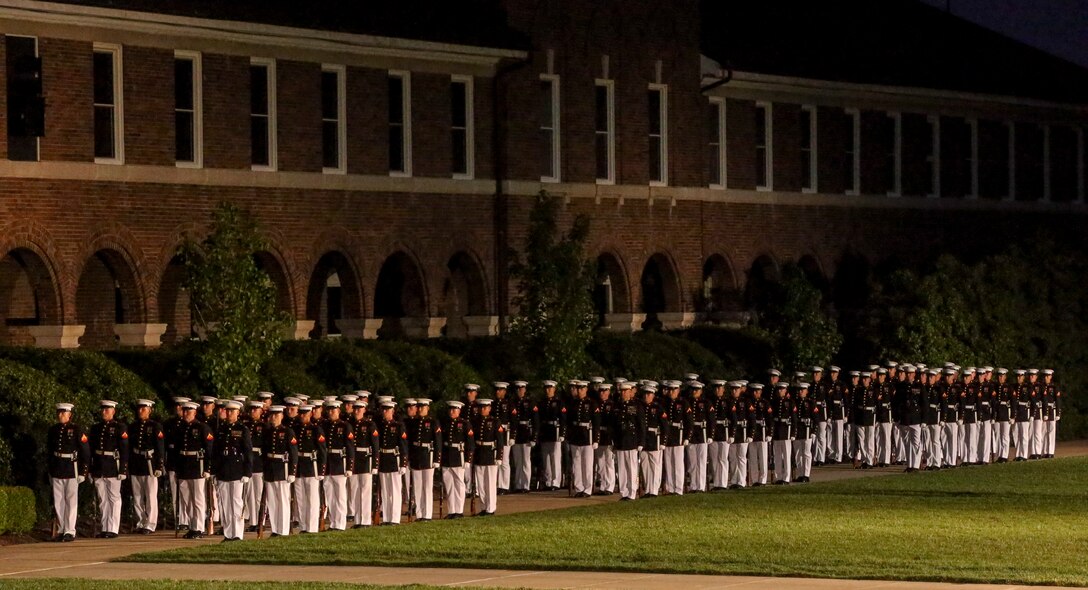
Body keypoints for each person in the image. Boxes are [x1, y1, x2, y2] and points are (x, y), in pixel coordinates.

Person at [48, 403, 89, 542]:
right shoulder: (54, 430)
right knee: (58, 501)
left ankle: (70, 530)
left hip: (72, 468)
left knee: (71, 500)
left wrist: (83, 471)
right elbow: (49, 451)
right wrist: (50, 469)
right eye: (59, 413)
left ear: (69, 415)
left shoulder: (76, 429)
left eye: (63, 413)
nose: (60, 415)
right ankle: (60, 529)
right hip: (58, 467)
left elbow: (85, 451)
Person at [213, 400, 252, 542]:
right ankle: (228, 533)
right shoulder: (221, 429)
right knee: (225, 504)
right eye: (228, 411)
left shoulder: (243, 429)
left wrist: (247, 472)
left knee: (236, 503)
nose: (229, 413)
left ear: (238, 413)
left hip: (237, 470)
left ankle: (237, 534)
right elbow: (215, 452)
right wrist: (213, 471)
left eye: (232, 411)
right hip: (223, 470)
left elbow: (248, 452)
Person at [88, 400, 128, 538]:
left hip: (112, 466)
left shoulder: (119, 427)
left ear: (113, 411)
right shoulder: (96, 428)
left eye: (107, 410)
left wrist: (123, 469)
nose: (104, 412)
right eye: (103, 409)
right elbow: (92, 450)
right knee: (102, 499)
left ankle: (113, 528)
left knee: (114, 498)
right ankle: (105, 527)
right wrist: (90, 469)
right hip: (99, 466)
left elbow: (124, 449)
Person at [175, 401, 213, 539]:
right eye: (184, 411)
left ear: (195, 412)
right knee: (187, 499)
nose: (185, 414)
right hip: (184, 467)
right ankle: (192, 526)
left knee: (197, 499)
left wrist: (208, 468)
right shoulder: (181, 428)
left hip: (198, 466)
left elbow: (209, 450)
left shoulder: (202, 428)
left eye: (188, 411)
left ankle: (198, 527)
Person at [127, 399, 164, 535]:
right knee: (137, 496)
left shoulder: (155, 426)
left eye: (144, 409)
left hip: (150, 463)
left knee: (150, 495)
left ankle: (150, 523)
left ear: (150, 410)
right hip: (137, 462)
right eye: (140, 409)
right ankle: (140, 521)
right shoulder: (133, 426)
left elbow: (160, 447)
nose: (141, 411)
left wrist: (159, 465)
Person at [262, 405, 298, 537]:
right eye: (272, 415)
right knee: (272, 501)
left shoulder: (288, 432)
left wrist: (292, 472)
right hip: (270, 469)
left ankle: (283, 530)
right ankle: (275, 529)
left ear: (282, 416)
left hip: (283, 468)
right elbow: (265, 452)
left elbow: (294, 453)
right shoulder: (268, 432)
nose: (273, 418)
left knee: (283, 501)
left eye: (276, 415)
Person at [322, 400, 355, 530]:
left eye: (333, 410)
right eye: (329, 410)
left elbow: (350, 447)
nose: (331, 413)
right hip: (329, 463)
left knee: (340, 496)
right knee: (330, 495)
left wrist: (349, 467)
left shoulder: (345, 426)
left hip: (340, 463)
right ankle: (333, 522)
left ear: (338, 411)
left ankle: (340, 523)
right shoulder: (325, 425)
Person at [293, 405, 327, 533]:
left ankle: (312, 527)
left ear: (310, 414)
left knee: (312, 499)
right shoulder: (296, 429)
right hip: (300, 466)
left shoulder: (316, 429)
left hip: (311, 466)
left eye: (305, 414)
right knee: (300, 498)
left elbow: (322, 451)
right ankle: (303, 526)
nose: (302, 416)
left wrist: (321, 469)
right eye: (301, 414)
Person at [407, 398, 440, 521]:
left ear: (428, 408)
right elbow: (410, 441)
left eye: (423, 407)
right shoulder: (414, 422)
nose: (420, 409)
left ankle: (427, 514)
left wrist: (437, 459)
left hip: (428, 456)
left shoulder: (432, 422)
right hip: (416, 456)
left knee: (427, 487)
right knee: (418, 487)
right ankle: (420, 513)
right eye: (419, 407)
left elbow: (438, 442)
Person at [440, 400, 474, 518]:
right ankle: (451, 510)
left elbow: (470, 443)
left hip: (458, 455)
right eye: (450, 409)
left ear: (459, 411)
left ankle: (459, 510)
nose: (452, 411)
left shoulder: (464, 423)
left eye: (454, 409)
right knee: (449, 484)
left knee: (459, 483)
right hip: (447, 456)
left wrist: (468, 459)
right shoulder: (445, 423)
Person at [376, 400, 408, 525]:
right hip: (384, 459)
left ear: (392, 411)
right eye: (383, 409)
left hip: (395, 459)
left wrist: (403, 463)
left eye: (387, 409)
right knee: (385, 491)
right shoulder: (381, 425)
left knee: (395, 490)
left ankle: (394, 518)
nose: (385, 412)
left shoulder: (399, 426)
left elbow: (403, 445)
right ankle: (387, 518)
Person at [347, 400, 377, 528]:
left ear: (364, 410)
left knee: (365, 490)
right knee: (355, 490)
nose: (357, 411)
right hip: (354, 460)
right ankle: (357, 519)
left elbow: (375, 445)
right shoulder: (350, 424)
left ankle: (365, 520)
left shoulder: (370, 424)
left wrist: (375, 464)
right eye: (355, 409)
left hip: (365, 459)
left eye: (359, 409)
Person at [567, 381, 599, 498]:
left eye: (582, 389)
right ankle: (579, 487)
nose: (579, 391)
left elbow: (596, 422)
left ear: (586, 389)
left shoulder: (591, 403)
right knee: (577, 464)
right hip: (576, 436)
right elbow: (569, 421)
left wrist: (596, 439)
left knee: (587, 464)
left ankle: (587, 488)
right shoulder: (573, 403)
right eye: (578, 389)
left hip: (587, 436)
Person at [613, 382, 644, 501]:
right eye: (622, 391)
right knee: (622, 468)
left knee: (631, 468)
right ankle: (624, 492)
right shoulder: (617, 406)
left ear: (631, 392)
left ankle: (632, 492)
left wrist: (640, 442)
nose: (623, 393)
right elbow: (614, 426)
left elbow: (641, 425)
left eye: (626, 391)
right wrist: (614, 442)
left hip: (631, 441)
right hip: (620, 441)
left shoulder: (636, 406)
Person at [471, 399, 502, 515]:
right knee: (481, 484)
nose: (483, 410)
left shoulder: (494, 421)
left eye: (485, 408)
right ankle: (483, 507)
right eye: (481, 408)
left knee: (490, 482)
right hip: (479, 453)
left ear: (489, 408)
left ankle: (491, 508)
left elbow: (500, 440)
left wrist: (499, 456)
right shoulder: (475, 421)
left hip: (490, 453)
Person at [509, 381, 537, 493]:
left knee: (526, 461)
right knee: (517, 461)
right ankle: (518, 484)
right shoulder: (513, 402)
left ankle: (525, 485)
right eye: (518, 389)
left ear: (525, 390)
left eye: (522, 389)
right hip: (517, 434)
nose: (520, 391)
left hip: (526, 433)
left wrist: (534, 437)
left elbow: (535, 420)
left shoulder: (530, 402)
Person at [537, 380, 565, 491]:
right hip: (545, 432)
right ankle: (548, 481)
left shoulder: (558, 402)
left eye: (550, 388)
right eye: (546, 388)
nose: (548, 390)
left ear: (554, 389)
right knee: (546, 459)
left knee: (555, 458)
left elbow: (563, 419)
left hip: (555, 432)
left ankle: (556, 481)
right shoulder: (542, 402)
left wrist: (562, 433)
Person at [244, 401, 266, 532]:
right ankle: (253, 520)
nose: (253, 412)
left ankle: (260, 520)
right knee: (249, 495)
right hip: (249, 463)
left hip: (259, 464)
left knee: (258, 495)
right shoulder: (246, 426)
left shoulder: (264, 427)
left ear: (261, 411)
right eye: (251, 410)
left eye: (255, 410)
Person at [639, 385, 664, 497]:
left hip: (654, 439)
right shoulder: (640, 406)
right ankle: (648, 489)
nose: (646, 396)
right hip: (644, 439)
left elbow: (665, 425)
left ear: (653, 395)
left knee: (654, 466)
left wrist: (663, 441)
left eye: (649, 394)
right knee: (645, 465)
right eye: (645, 394)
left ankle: (653, 490)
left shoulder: (658, 407)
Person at [685, 381, 709, 493]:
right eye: (693, 390)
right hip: (692, 434)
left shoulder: (706, 402)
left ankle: (701, 486)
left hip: (702, 433)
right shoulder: (687, 402)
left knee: (701, 462)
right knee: (692, 462)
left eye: (697, 390)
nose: (695, 392)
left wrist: (710, 435)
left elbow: (711, 420)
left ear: (701, 391)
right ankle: (693, 485)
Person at [594, 383, 617, 495]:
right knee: (600, 462)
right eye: (601, 391)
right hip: (600, 435)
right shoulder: (597, 404)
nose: (602, 393)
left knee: (609, 462)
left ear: (608, 392)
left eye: (604, 391)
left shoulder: (612, 405)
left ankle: (610, 486)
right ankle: (603, 485)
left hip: (608, 435)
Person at [727, 382, 751, 489]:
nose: (734, 391)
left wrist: (751, 434)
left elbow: (751, 418)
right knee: (732, 458)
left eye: (736, 389)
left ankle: (741, 481)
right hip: (732, 432)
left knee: (741, 457)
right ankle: (733, 480)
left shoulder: (745, 401)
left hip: (742, 431)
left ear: (740, 390)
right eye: (732, 389)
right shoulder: (728, 401)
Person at [707, 380, 730, 490]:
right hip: (714, 433)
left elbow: (732, 418)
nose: (717, 390)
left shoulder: (727, 402)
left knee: (723, 459)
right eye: (716, 388)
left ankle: (723, 482)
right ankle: (716, 482)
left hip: (724, 432)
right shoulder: (709, 401)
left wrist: (731, 433)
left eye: (719, 388)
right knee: (714, 459)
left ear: (723, 390)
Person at [770, 383, 795, 484]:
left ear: (786, 390)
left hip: (786, 430)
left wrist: (793, 433)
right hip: (777, 429)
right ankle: (778, 476)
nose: (780, 391)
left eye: (782, 389)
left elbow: (794, 419)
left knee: (786, 455)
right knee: (777, 455)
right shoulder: (774, 402)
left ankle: (786, 477)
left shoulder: (790, 402)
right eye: (779, 389)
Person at [747, 384, 770, 486]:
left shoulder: (764, 403)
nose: (756, 393)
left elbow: (769, 418)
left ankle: (763, 479)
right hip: (752, 431)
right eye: (754, 391)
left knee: (763, 457)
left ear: (761, 392)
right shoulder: (749, 402)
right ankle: (754, 479)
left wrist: (770, 433)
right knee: (753, 457)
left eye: (758, 391)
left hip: (762, 430)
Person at [993, 369, 1014, 462]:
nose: (1000, 378)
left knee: (1005, 436)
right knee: (997, 436)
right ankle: (998, 455)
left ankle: (1004, 455)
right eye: (999, 376)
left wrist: (1013, 416)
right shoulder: (995, 387)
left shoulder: (1008, 387)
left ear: (1005, 377)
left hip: (1006, 414)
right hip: (997, 415)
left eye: (1002, 376)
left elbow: (1013, 402)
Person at [1042, 369, 1061, 458]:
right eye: (1045, 376)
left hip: (1052, 410)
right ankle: (1045, 451)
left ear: (1051, 377)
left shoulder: (1054, 387)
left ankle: (1051, 451)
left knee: (1051, 432)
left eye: (1048, 376)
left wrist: (1058, 413)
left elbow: (1057, 401)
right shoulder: (1042, 386)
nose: (1046, 378)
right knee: (1044, 431)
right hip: (1044, 410)